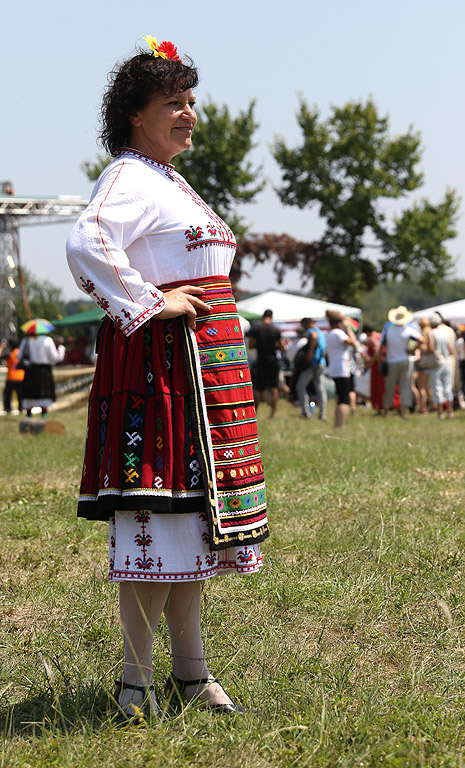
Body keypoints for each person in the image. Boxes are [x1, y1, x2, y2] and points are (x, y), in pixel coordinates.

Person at [66, 35, 269, 722]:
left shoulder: (166, 179)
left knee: (194, 536)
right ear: (135, 115)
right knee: (157, 527)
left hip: (202, 380)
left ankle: (189, 674)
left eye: (190, 101)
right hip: (162, 376)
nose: (187, 114)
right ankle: (132, 686)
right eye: (171, 103)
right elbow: (86, 241)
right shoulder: (127, 177)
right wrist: (155, 302)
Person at [379, 306, 423, 419]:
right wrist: (412, 350)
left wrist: (380, 360)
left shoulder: (387, 329)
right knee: (405, 387)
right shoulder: (409, 329)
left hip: (391, 361)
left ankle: (385, 412)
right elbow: (421, 340)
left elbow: (381, 346)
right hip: (405, 361)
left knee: (390, 387)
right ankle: (403, 413)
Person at [18, 332, 64, 417]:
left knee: (29, 393)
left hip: (30, 371)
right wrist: (61, 349)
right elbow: (55, 358)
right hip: (44, 370)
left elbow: (19, 355)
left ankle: (28, 415)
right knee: (44, 394)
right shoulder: (48, 340)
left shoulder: (26, 340)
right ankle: (44, 415)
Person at [325, 310, 357, 428]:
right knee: (344, 399)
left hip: (334, 367)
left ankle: (337, 424)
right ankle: (340, 425)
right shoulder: (339, 333)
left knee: (339, 397)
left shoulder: (329, 333)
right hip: (342, 368)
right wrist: (348, 329)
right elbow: (353, 342)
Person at [247, 309, 282, 417]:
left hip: (261, 361)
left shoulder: (256, 329)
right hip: (273, 361)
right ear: (271, 317)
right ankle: (272, 413)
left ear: (263, 316)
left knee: (258, 389)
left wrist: (259, 345)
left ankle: (255, 413)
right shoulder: (276, 330)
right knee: (274, 387)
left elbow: (251, 345)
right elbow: (280, 346)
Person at [295, 318, 327, 419]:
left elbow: (313, 336)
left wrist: (310, 352)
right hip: (321, 363)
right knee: (320, 388)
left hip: (314, 363)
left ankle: (305, 412)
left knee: (300, 385)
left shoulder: (312, 331)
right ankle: (322, 414)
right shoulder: (321, 332)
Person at [427, 312, 455, 419]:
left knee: (437, 386)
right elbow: (451, 350)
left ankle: (440, 412)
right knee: (447, 386)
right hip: (447, 361)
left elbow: (430, 348)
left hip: (437, 362)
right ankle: (450, 411)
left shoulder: (431, 333)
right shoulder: (445, 333)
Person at [360, 324, 384, 415]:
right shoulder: (380, 335)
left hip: (376, 365)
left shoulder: (372, 338)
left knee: (377, 387)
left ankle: (379, 408)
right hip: (383, 363)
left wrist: (370, 360)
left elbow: (377, 351)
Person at [1, 338, 24, 414]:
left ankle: (7, 409)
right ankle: (21, 408)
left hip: (11, 377)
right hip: (20, 377)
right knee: (20, 395)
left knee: (8, 395)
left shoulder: (10, 354)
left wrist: (1, 347)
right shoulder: (21, 353)